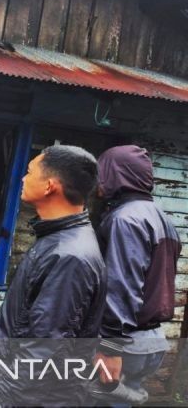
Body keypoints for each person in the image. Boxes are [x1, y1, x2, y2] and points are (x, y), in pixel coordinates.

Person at [0, 145, 107, 408]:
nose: (23, 178)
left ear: (49, 186)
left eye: (30, 171)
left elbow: (46, 346)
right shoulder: (58, 240)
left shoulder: (70, 256)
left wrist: (1, 403)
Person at [91, 146, 181, 407]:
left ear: (115, 174)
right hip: (151, 342)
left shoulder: (125, 219)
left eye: (102, 172)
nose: (98, 180)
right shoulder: (163, 219)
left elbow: (122, 286)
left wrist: (109, 347)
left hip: (123, 344)